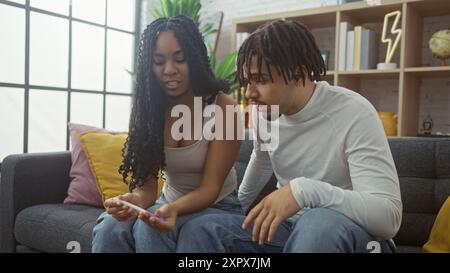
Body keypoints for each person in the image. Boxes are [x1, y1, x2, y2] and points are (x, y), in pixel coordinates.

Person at [175, 19, 402, 253]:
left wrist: (304, 191)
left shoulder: (354, 112)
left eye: (260, 80)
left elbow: (388, 220)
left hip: (358, 238)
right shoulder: (266, 111)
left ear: (298, 73)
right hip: (291, 231)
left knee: (318, 224)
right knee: (201, 229)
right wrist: (237, 208)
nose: (249, 94)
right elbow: (263, 159)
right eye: (247, 81)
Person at [92, 15, 242, 253]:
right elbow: (148, 189)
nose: (169, 70)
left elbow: (210, 188)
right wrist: (135, 201)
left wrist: (169, 209)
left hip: (218, 206)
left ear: (194, 59)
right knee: (110, 227)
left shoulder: (224, 108)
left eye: (180, 59)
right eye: (159, 61)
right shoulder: (147, 110)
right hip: (166, 202)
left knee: (150, 226)